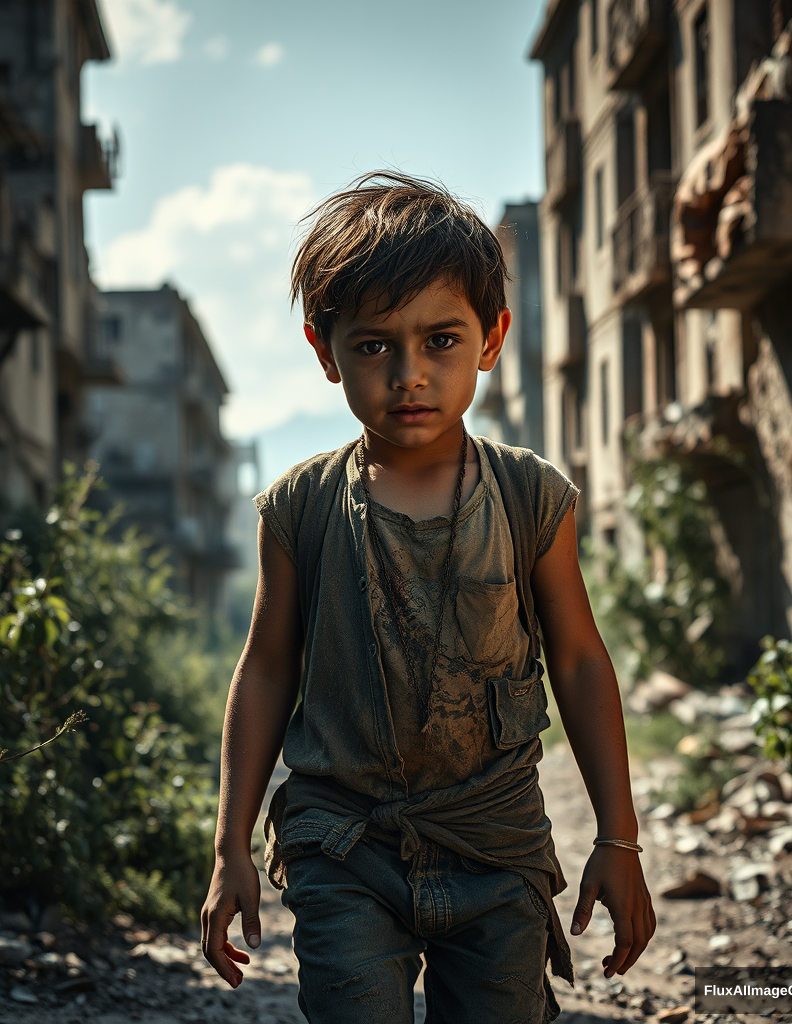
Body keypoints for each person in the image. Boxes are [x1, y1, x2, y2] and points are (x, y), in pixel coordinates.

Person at [201, 171, 655, 1024]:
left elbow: (581, 660)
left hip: (495, 843)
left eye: (440, 340)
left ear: (491, 340)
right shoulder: (298, 508)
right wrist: (230, 849)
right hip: (341, 844)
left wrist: (618, 839)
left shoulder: (529, 498)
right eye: (374, 346)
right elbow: (263, 671)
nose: (409, 374)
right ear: (324, 350)